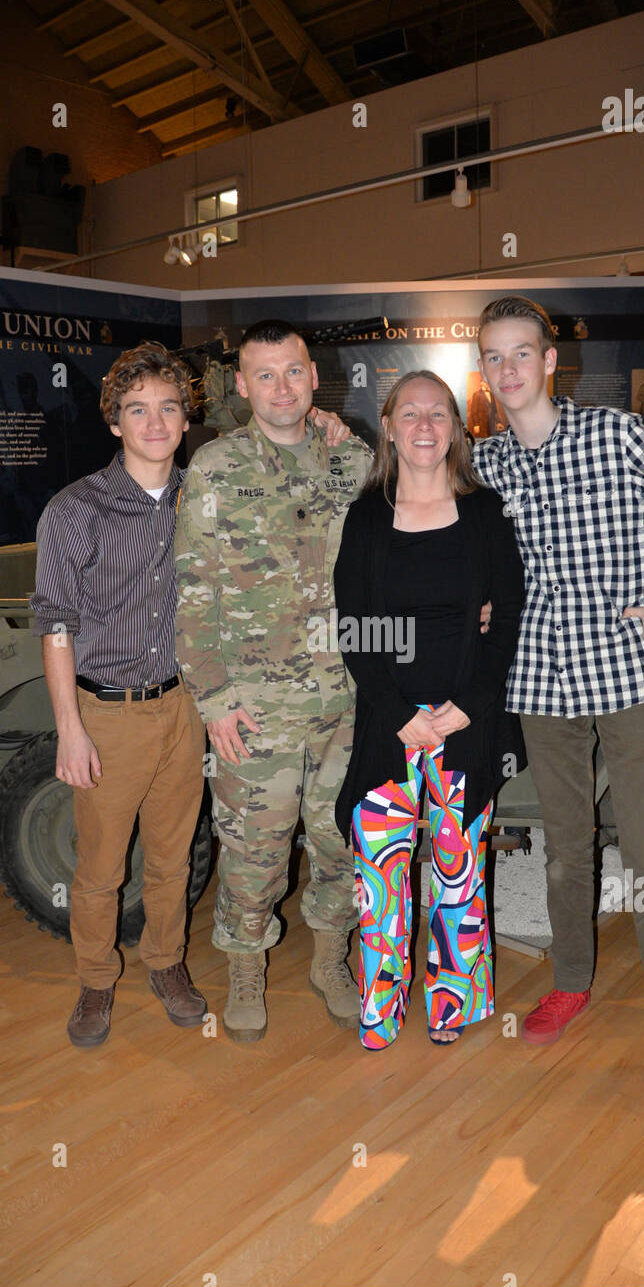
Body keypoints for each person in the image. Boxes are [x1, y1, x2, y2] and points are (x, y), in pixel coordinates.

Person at [472, 295, 644, 1125]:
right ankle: (571, 982)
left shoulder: (615, 436)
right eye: (493, 357)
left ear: (551, 363)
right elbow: (410, 480)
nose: (509, 369)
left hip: (625, 678)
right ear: (484, 372)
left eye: (522, 353)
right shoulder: (488, 464)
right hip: (541, 685)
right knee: (563, 850)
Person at [173, 319, 372, 1044]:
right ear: (243, 384)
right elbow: (192, 591)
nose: (281, 387)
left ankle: (330, 962)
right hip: (254, 709)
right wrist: (215, 700)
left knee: (341, 843)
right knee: (253, 850)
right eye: (264, 374)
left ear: (313, 375)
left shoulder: (353, 464)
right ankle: (246, 970)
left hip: (347, 702)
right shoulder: (217, 469)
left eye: (292, 372)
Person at [333, 371, 525, 1049]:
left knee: (458, 878)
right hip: (391, 731)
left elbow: (506, 624)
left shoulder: (485, 515)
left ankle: (455, 1002)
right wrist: (397, 713)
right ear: (388, 426)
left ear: (455, 427)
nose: (423, 426)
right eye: (409, 413)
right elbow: (352, 627)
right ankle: (380, 1010)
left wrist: (467, 709)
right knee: (381, 889)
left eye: (437, 414)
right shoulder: (365, 518)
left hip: (465, 731)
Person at [31, 342, 208, 1047]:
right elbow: (54, 626)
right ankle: (96, 982)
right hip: (108, 713)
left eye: (168, 407)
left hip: (184, 708)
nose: (155, 421)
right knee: (102, 867)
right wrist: (70, 729)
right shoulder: (76, 511)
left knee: (174, 856)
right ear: (115, 422)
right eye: (138, 410)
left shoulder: (205, 496)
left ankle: (166, 964)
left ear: (185, 415)